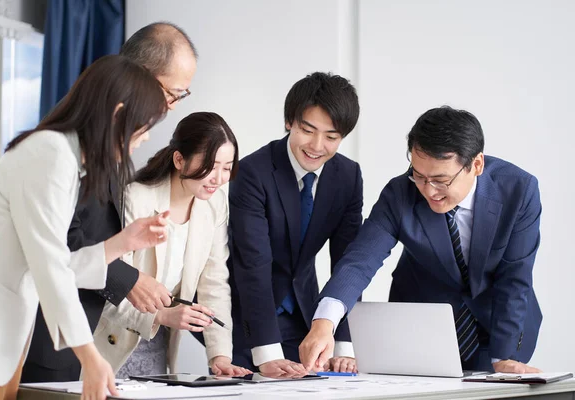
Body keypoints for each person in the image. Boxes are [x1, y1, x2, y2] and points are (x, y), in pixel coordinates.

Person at [0, 55, 170, 400]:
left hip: (2, 341)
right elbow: (50, 267)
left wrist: (122, 243)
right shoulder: (49, 154)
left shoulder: (63, 160)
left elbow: (53, 263)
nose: (144, 140)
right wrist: (90, 356)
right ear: (117, 115)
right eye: (142, 129)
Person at [299, 106, 543, 374]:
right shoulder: (400, 193)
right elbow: (360, 261)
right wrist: (324, 322)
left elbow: (515, 277)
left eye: (440, 180)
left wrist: (504, 357)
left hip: (499, 322)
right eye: (419, 176)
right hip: (424, 327)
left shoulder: (519, 190)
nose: (429, 190)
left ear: (476, 165)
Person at [22, 22, 198, 383]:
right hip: (42, 335)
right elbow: (55, 248)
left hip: (77, 331)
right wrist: (129, 278)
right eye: (173, 93)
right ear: (140, 77)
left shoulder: (108, 139)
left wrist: (128, 244)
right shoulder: (64, 146)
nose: (172, 106)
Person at [93, 112, 251, 378]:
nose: (219, 178)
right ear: (179, 159)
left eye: (227, 168)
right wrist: (163, 316)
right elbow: (109, 282)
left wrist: (220, 355)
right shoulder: (136, 198)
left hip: (159, 346)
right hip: (110, 340)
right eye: (211, 166)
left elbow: (214, 283)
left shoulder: (213, 204)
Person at [228, 72, 363, 374]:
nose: (317, 146)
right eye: (308, 130)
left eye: (331, 137)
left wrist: (343, 345)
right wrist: (265, 353)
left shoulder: (348, 176)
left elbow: (349, 263)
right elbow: (253, 262)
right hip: (246, 316)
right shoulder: (252, 172)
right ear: (289, 121)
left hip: (304, 313)